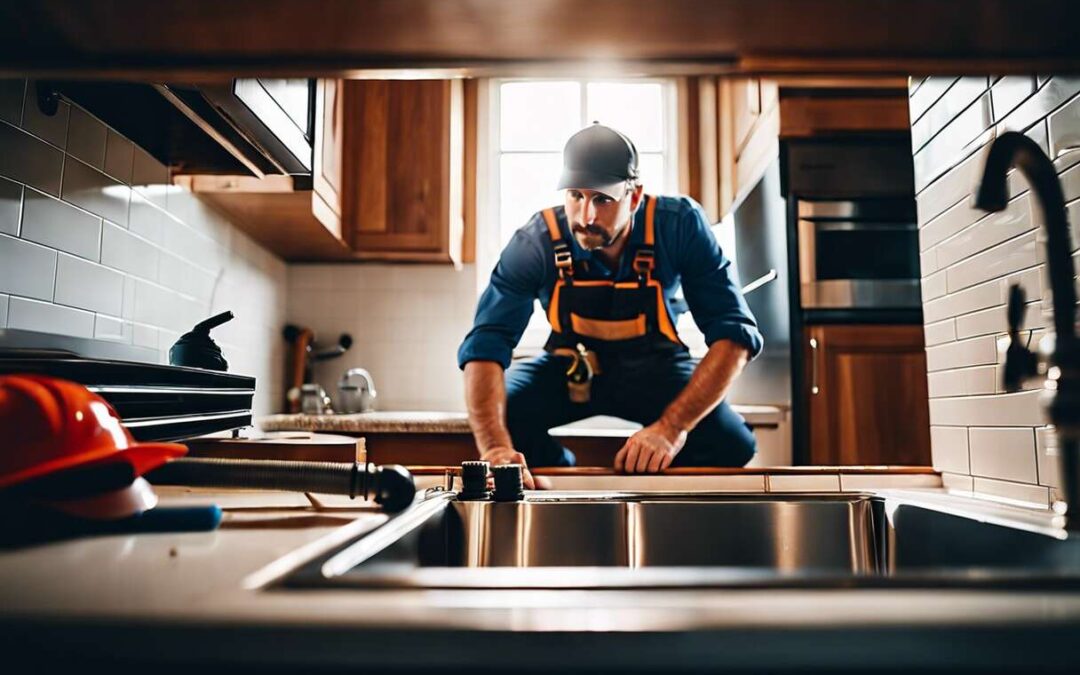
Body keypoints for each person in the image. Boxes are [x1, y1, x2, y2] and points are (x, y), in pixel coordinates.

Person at [458, 122, 762, 488]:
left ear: (633, 198)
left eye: (603, 199)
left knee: (732, 444)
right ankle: (561, 479)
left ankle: (664, 510)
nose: (586, 217)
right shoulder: (535, 242)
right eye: (576, 196)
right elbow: (487, 344)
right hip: (570, 368)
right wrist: (495, 450)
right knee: (499, 419)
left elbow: (735, 335)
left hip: (655, 369)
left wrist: (670, 430)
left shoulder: (679, 225)